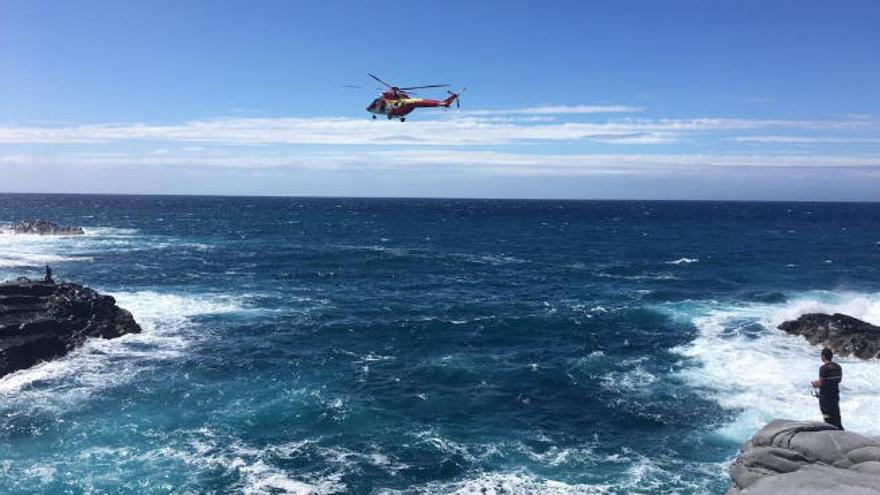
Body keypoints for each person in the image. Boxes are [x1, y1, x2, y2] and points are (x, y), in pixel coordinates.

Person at [811, 347, 843, 429]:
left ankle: (829, 430)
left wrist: (815, 384)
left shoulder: (823, 368)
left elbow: (820, 383)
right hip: (835, 396)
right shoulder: (838, 367)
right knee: (836, 416)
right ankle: (840, 432)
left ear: (824, 357)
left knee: (827, 416)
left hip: (825, 397)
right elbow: (839, 380)